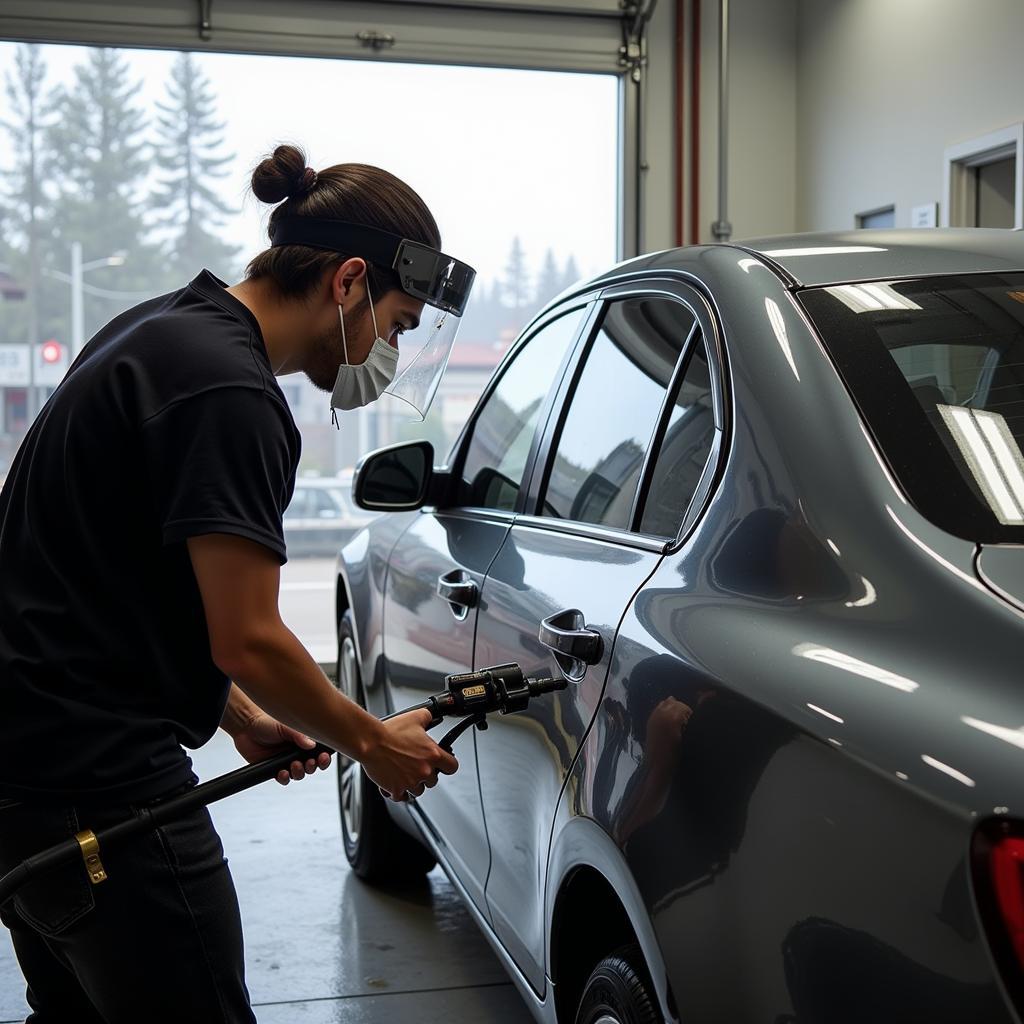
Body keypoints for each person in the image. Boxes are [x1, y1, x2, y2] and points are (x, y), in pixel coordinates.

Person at [0, 143, 468, 1022]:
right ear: (348, 282)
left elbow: (117, 582)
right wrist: (373, 741)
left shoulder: (164, 331)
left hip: (28, 780)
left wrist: (247, 719)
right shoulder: (230, 393)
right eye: (398, 324)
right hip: (99, 786)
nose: (391, 351)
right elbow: (246, 635)